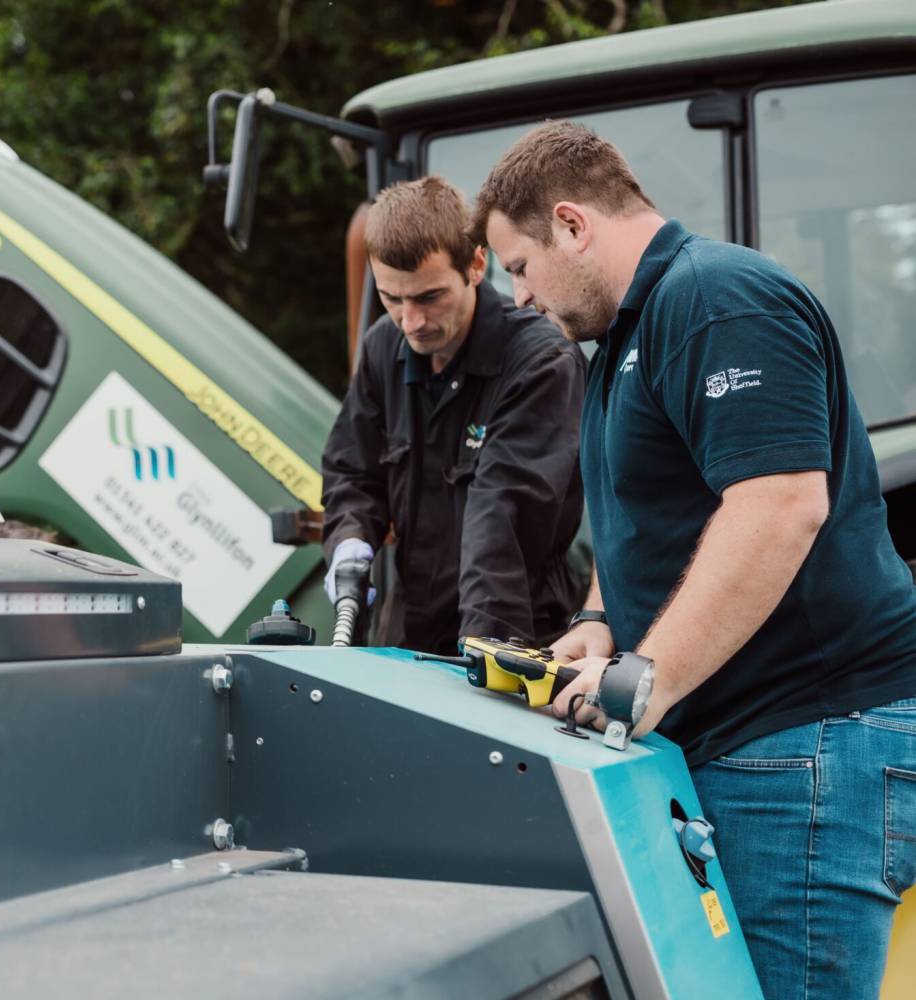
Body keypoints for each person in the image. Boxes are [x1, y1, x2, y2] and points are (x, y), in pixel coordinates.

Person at [472, 120, 916, 999]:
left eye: (518, 267)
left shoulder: (717, 300)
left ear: (571, 224)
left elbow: (779, 506)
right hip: (757, 745)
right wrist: (600, 620)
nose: (518, 298)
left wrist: (644, 681)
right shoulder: (624, 339)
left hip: (806, 742)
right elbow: (653, 516)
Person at [320, 176, 584, 652]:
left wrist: (484, 659)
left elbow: (504, 515)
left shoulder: (540, 362)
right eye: (392, 298)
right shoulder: (383, 347)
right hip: (409, 634)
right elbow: (352, 472)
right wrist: (349, 539)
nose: (411, 322)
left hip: (518, 630)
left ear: (476, 264)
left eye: (429, 297)